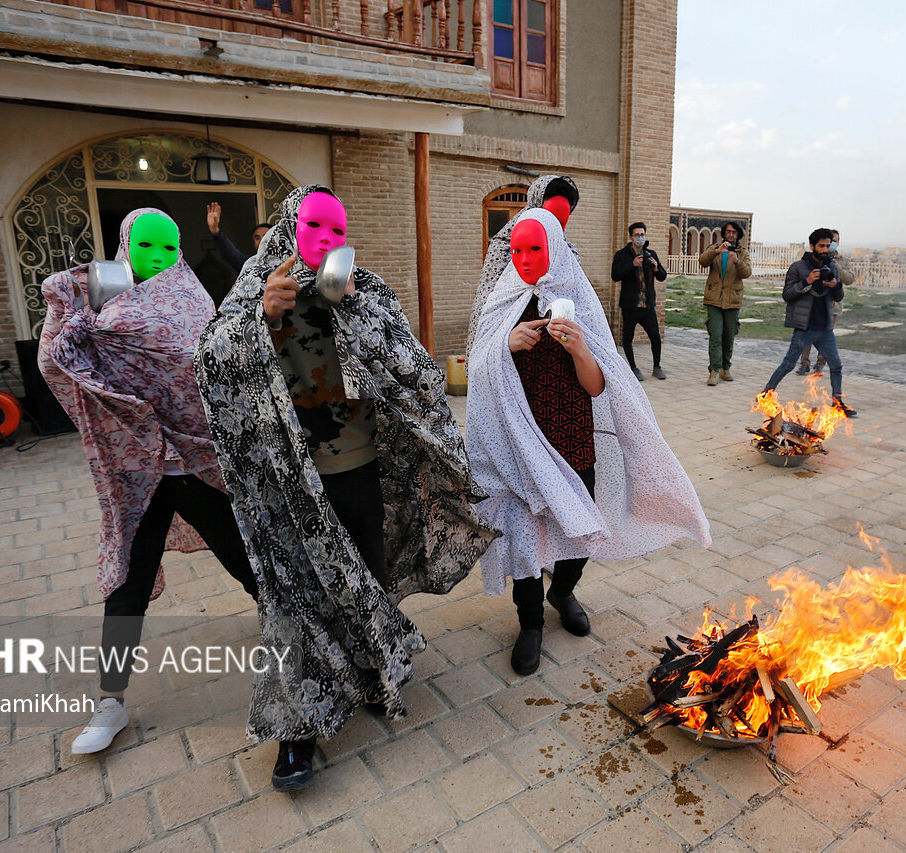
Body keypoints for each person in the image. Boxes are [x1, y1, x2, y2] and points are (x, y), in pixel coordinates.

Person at [195, 185, 496, 792]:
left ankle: (376, 672)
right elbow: (208, 365)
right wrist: (261, 317)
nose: (328, 242)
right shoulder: (256, 289)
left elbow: (417, 371)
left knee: (372, 578)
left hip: (360, 469)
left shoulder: (366, 288)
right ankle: (297, 735)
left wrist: (357, 311)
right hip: (292, 483)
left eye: (338, 230)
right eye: (316, 227)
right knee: (295, 602)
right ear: (289, 225)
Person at [38, 208, 260, 755]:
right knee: (127, 581)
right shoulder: (101, 296)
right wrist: (73, 304)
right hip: (136, 470)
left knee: (245, 559)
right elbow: (57, 360)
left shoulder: (192, 298)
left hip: (192, 464)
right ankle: (109, 702)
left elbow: (205, 368)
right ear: (124, 246)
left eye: (168, 249)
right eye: (147, 247)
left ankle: (303, 636)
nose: (158, 259)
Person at [467, 209, 711, 676]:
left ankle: (563, 589)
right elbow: (478, 375)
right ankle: (531, 623)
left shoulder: (577, 296)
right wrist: (505, 346)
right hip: (519, 441)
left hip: (573, 436)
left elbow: (599, 385)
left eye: (534, 249)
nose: (524, 259)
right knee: (525, 538)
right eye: (517, 250)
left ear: (554, 248)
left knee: (581, 529)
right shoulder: (503, 301)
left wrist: (579, 347)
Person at [466, 174, 580, 358]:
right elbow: (489, 309)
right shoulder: (503, 248)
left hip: (557, 353)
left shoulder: (568, 254)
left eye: (561, 223)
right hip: (513, 352)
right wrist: (505, 341)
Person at [761, 228, 857, 417]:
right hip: (805, 327)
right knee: (788, 364)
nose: (825, 250)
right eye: (821, 246)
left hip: (825, 328)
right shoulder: (798, 267)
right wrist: (807, 281)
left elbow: (839, 295)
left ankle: (837, 403)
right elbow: (787, 295)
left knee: (836, 365)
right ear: (812, 246)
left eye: (828, 246)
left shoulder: (832, 267)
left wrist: (835, 285)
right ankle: (765, 394)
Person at [610, 222, 668, 380]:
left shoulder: (651, 254)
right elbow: (615, 275)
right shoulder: (622, 255)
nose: (640, 238)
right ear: (631, 237)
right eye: (637, 235)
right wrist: (632, 265)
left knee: (655, 336)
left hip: (647, 305)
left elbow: (662, 276)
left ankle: (657, 366)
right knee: (628, 338)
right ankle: (634, 368)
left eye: (642, 235)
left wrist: (656, 268)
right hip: (630, 306)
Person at [698, 221, 752, 386]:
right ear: (724, 233)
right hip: (714, 299)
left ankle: (725, 368)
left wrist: (737, 262)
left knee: (728, 336)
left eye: (734, 232)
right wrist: (716, 252)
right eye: (728, 231)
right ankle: (714, 371)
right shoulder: (715, 248)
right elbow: (702, 261)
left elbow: (747, 273)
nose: (731, 234)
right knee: (715, 335)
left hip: (732, 300)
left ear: (738, 235)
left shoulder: (742, 253)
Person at [796, 229, 856, 375]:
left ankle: (820, 364)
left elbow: (849, 279)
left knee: (825, 335)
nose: (832, 244)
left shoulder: (842, 261)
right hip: (812, 303)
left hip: (832, 306)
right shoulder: (813, 258)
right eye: (830, 241)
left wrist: (837, 268)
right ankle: (804, 363)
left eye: (835, 241)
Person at [206, 201, 270, 272]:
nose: (261, 241)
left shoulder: (283, 260)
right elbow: (231, 255)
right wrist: (215, 229)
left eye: (265, 236)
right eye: (257, 238)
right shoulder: (249, 263)